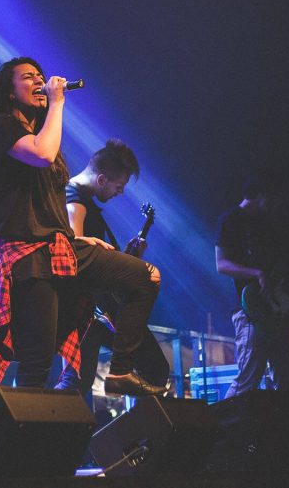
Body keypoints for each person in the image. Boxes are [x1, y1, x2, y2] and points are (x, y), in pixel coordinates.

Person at [0, 57, 166, 395]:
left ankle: (121, 370)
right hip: (28, 255)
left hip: (59, 249)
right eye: (28, 77)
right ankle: (26, 426)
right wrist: (57, 102)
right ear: (9, 91)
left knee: (146, 277)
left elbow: (48, 206)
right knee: (37, 363)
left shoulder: (41, 134)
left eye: (41, 75)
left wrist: (80, 240)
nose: (39, 81)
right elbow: (42, 155)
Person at [62, 139, 171, 403]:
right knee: (78, 384)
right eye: (118, 187)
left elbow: (95, 260)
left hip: (97, 308)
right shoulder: (74, 199)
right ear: (102, 179)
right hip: (91, 310)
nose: (119, 193)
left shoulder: (84, 200)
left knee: (77, 384)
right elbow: (74, 248)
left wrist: (125, 259)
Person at [215, 172, 289, 397]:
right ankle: (224, 419)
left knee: (288, 378)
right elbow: (221, 264)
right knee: (248, 378)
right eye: (274, 199)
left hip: (278, 308)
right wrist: (257, 273)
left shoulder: (269, 224)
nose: (276, 205)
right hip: (249, 310)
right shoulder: (230, 220)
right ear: (262, 194)